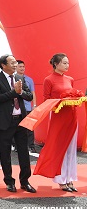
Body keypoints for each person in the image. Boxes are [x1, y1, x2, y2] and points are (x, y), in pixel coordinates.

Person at [0, 54, 36, 193]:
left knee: (23, 152)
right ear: (4, 65)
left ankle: (25, 181)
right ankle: (9, 181)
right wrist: (13, 92)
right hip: (5, 121)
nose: (15, 65)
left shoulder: (20, 78)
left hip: (21, 120)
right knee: (5, 152)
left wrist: (20, 91)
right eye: (12, 62)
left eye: (16, 62)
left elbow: (29, 96)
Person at [35, 53, 78, 192]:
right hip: (58, 117)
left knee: (71, 149)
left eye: (68, 63)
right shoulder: (49, 80)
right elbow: (46, 100)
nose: (67, 65)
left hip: (71, 116)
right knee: (61, 148)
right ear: (56, 64)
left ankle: (70, 178)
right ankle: (61, 179)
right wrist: (59, 102)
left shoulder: (70, 79)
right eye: (64, 63)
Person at [15, 60, 36, 153]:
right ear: (15, 67)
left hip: (27, 107)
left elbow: (32, 93)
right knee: (18, 127)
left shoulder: (29, 79)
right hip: (18, 107)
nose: (22, 68)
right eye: (20, 66)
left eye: (23, 66)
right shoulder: (13, 78)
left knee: (30, 127)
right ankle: (16, 145)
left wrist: (34, 105)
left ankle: (31, 145)